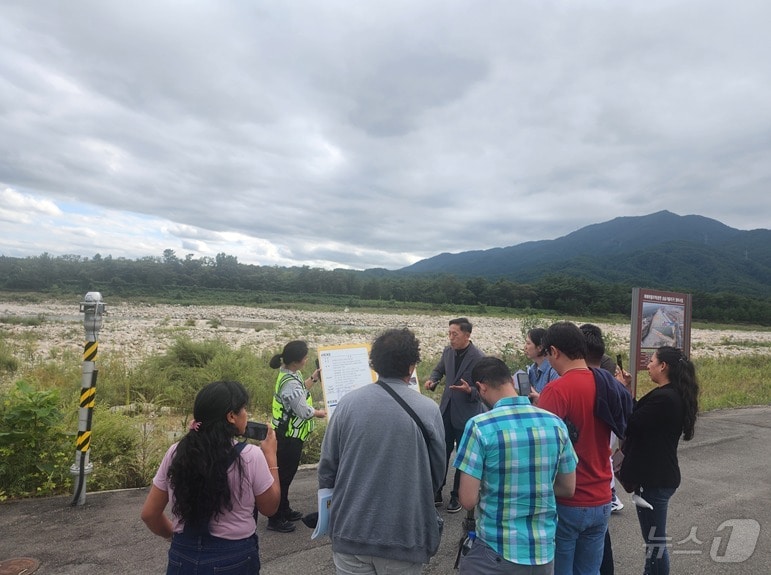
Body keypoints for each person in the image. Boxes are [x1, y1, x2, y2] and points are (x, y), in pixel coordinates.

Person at [319, 328, 445, 575]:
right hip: (404, 535)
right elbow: (437, 475)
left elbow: (327, 468)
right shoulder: (428, 409)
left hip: (350, 532)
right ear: (412, 367)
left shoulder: (347, 404)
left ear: (374, 364)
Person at [141, 380, 280, 575]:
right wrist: (271, 457)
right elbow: (270, 507)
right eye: (244, 409)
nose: (246, 415)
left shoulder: (176, 452)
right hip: (234, 559)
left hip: (182, 557)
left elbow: (149, 514)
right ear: (231, 416)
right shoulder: (251, 455)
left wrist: (177, 538)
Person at [454, 357, 578, 574]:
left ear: (481, 387)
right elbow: (568, 488)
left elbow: (467, 499)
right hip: (543, 552)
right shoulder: (555, 423)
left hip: (496, 548)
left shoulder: (480, 426)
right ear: (511, 381)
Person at [536, 321, 613, 575]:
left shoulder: (557, 390)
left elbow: (542, 450)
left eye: (547, 355)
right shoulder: (607, 383)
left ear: (554, 351)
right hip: (602, 497)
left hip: (568, 500)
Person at [618, 346, 699, 575]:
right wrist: (628, 390)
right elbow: (640, 418)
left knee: (655, 543)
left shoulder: (665, 398)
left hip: (655, 479)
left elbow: (631, 422)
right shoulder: (671, 394)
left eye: (652, 361)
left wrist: (621, 393)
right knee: (654, 542)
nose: (648, 365)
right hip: (660, 475)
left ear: (663, 366)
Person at [424, 317, 485, 513]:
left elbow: (484, 388)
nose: (451, 338)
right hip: (447, 410)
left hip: (467, 413)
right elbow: (439, 370)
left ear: (467, 335)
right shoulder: (448, 351)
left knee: (463, 457)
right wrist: (433, 380)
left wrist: (470, 391)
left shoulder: (478, 357)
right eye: (449, 333)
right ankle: (437, 490)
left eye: (455, 334)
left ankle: (456, 496)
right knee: (441, 451)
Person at [268, 340, 327, 533]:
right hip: (288, 437)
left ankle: (284, 508)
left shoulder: (291, 374)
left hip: (291, 435)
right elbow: (304, 411)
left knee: (286, 475)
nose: (307, 359)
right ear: (297, 361)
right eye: (305, 357)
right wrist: (322, 412)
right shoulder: (290, 384)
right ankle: (275, 518)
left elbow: (300, 392)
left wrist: (314, 378)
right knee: (283, 477)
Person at [524, 327, 560, 393]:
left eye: (528, 343)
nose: (525, 347)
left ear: (540, 347)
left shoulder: (553, 372)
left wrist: (539, 398)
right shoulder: (532, 369)